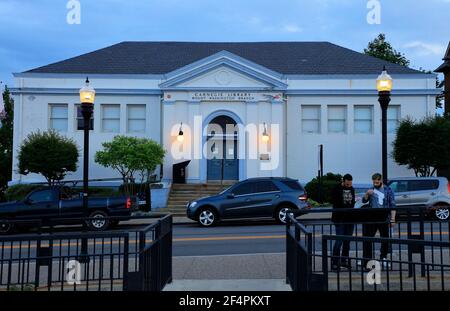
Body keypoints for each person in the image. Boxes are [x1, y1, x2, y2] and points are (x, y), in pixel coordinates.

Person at [362, 173, 396, 268]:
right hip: (372, 216)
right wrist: (366, 194)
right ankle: (367, 259)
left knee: (385, 238)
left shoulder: (388, 190)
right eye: (374, 182)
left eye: (377, 182)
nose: (375, 183)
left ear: (380, 180)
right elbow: (364, 201)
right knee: (368, 238)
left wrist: (393, 219)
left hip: (384, 215)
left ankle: (383, 257)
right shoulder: (371, 189)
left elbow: (393, 205)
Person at [331, 174, 356, 271]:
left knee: (347, 241)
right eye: (347, 184)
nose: (349, 186)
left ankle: (344, 260)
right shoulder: (336, 189)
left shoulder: (352, 189)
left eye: (350, 184)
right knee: (339, 240)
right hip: (339, 218)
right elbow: (335, 201)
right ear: (343, 181)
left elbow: (353, 201)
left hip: (350, 218)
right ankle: (335, 262)